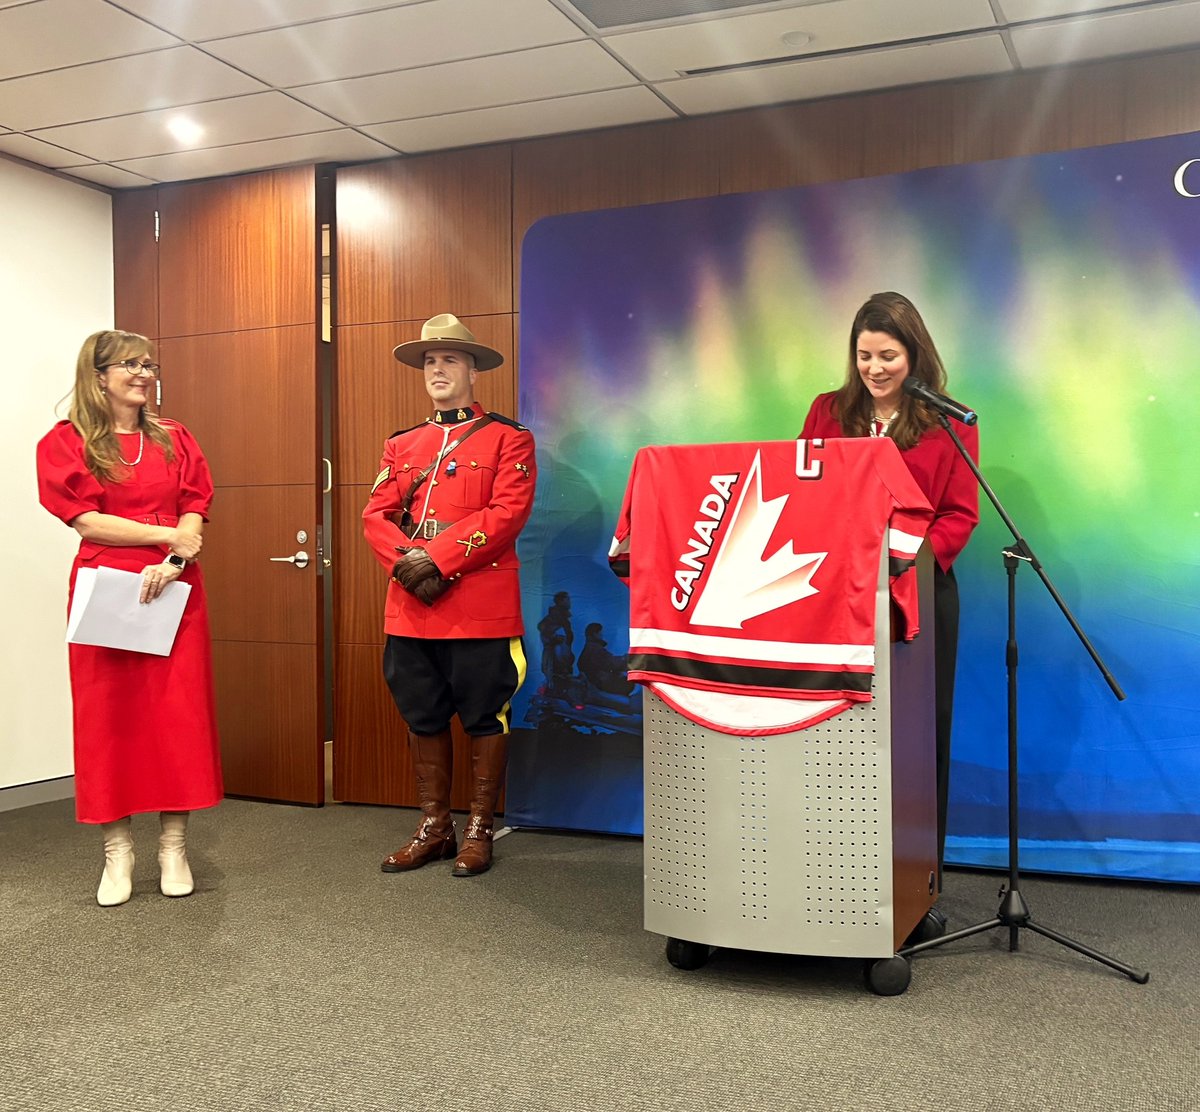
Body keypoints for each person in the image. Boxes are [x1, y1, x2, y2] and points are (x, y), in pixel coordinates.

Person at [36, 330, 223, 907]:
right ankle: (117, 853)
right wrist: (165, 538)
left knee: (177, 716)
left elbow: (195, 505)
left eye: (148, 364)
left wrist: (175, 558)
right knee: (107, 720)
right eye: (129, 364)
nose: (143, 373)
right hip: (106, 588)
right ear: (98, 377)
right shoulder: (65, 442)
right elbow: (86, 521)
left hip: (174, 586)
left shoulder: (174, 437)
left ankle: (173, 848)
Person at [799, 292, 979, 877]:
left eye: (888, 356)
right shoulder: (827, 411)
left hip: (919, 594)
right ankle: (834, 868)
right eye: (864, 356)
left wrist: (906, 563)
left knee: (920, 734)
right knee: (837, 726)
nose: (874, 369)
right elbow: (801, 491)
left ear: (915, 355)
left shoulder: (949, 420)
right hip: (838, 593)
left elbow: (959, 515)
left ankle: (918, 877)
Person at [363, 314, 537, 877]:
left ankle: (480, 829)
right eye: (430, 361)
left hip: (479, 607)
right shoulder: (402, 444)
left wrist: (437, 559)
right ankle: (436, 828)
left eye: (450, 360)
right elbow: (376, 515)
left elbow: (507, 513)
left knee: (486, 717)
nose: (437, 370)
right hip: (412, 607)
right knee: (423, 714)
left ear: (473, 370)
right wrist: (408, 566)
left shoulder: (509, 438)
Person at [537, 591, 576, 696]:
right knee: (555, 687)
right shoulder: (555, 616)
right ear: (561, 601)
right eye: (567, 599)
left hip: (562, 661)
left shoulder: (562, 617)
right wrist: (554, 637)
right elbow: (542, 627)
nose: (570, 601)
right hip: (555, 661)